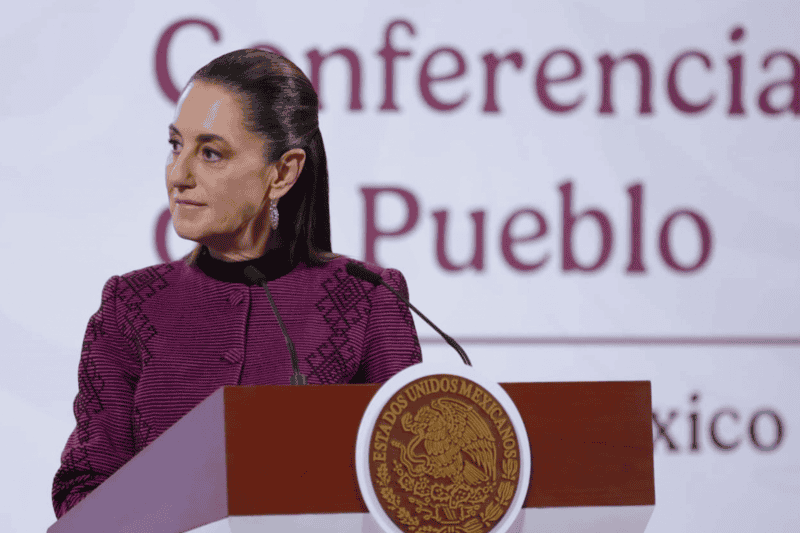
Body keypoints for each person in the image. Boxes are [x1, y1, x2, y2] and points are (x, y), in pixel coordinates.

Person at [51, 49, 422, 518]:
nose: (178, 175)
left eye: (210, 153)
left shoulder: (368, 299)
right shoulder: (128, 306)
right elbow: (80, 494)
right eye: (174, 145)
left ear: (282, 173)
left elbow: (415, 485)